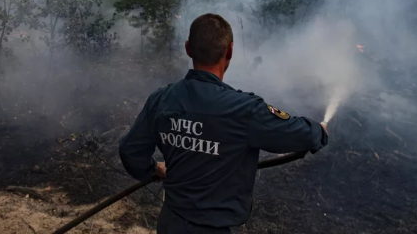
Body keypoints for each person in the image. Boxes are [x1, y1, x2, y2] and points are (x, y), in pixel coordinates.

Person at [119, 13, 328, 233]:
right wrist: (319, 131)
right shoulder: (245, 110)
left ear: (188, 48)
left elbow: (130, 150)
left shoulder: (161, 99)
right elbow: (300, 134)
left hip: (170, 224)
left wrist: (153, 169)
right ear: (230, 51)